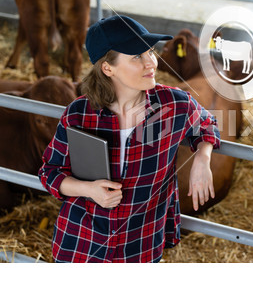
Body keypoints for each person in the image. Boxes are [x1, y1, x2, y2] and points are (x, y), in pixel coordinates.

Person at [38, 15, 220, 263]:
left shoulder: (175, 105)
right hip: (81, 244)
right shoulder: (79, 112)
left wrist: (202, 156)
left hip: (139, 247)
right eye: (137, 56)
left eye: (150, 52)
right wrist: (88, 189)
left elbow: (208, 124)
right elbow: (49, 172)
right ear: (107, 68)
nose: (151, 63)